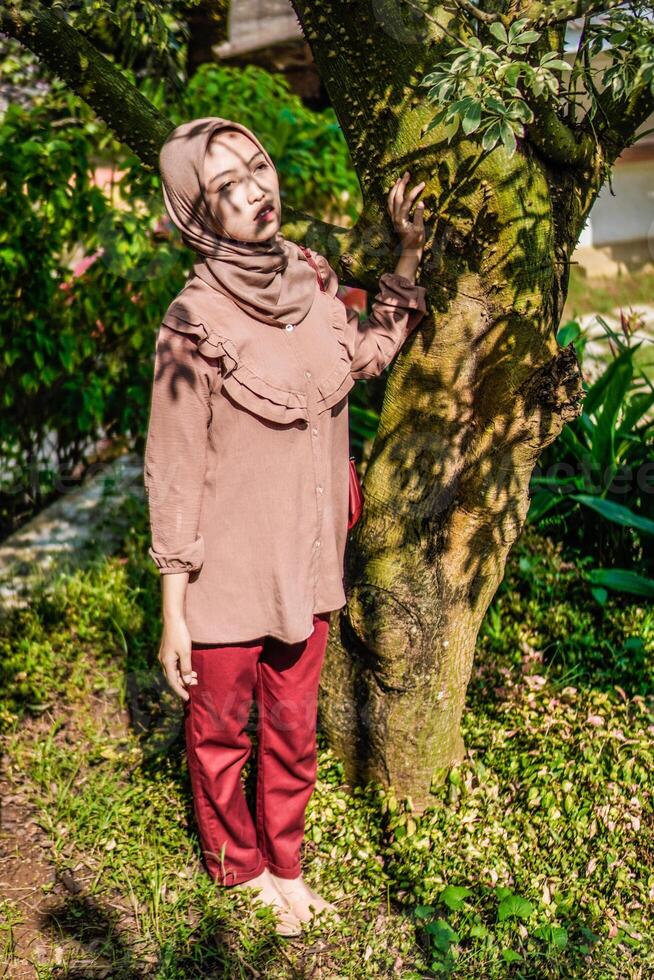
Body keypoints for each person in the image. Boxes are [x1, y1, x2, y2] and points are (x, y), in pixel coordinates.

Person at [143, 116, 428, 938]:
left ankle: (287, 861)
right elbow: (173, 466)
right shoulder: (191, 320)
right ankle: (240, 872)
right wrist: (174, 608)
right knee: (223, 733)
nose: (255, 190)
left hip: (308, 563)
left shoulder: (312, 279)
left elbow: (365, 357)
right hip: (225, 575)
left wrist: (405, 263)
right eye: (226, 184)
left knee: (294, 730)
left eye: (255, 168)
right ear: (199, 211)